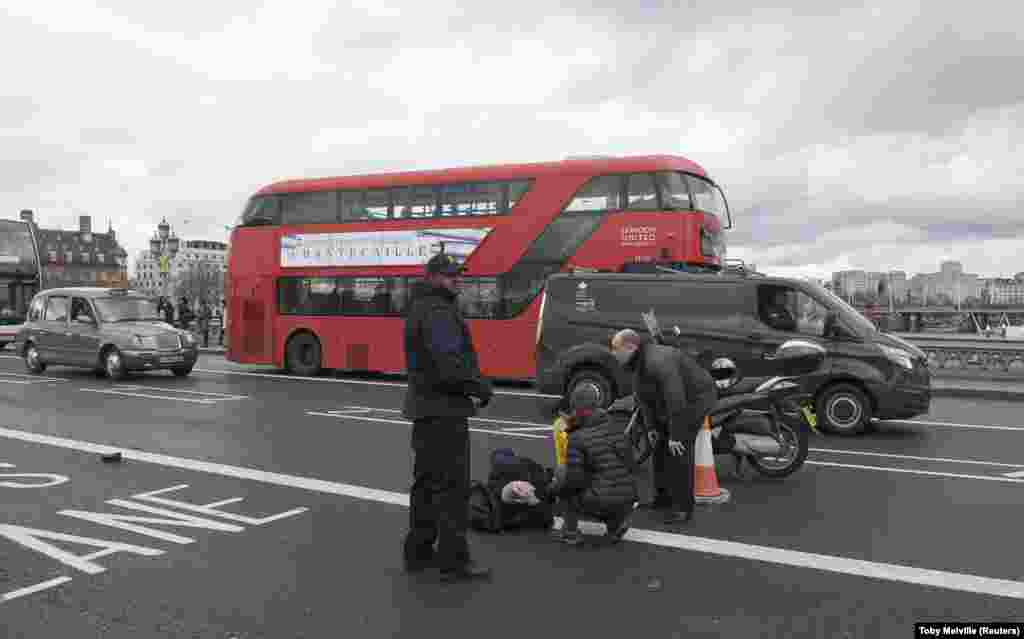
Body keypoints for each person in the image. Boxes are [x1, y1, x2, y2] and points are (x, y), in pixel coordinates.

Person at [401, 252, 494, 582]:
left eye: (459, 274)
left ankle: (418, 553)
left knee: (426, 484)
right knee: (452, 489)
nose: (458, 280)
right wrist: (481, 388)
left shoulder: (420, 307)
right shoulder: (439, 312)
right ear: (433, 277)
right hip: (444, 411)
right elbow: (450, 365)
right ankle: (453, 562)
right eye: (451, 275)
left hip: (425, 410)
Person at [610, 328, 716, 525]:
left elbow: (676, 399)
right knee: (658, 444)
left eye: (615, 348)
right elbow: (643, 398)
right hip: (668, 400)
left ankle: (683, 509)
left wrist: (676, 434)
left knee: (679, 451)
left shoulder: (657, 361)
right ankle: (663, 498)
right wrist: (651, 428)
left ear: (631, 347)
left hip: (696, 399)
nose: (612, 353)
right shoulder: (637, 363)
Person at [549, 385, 638, 545]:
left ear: (575, 408)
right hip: (628, 497)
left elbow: (574, 481)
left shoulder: (576, 438)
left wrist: (552, 490)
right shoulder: (616, 427)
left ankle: (570, 533)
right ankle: (615, 524)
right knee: (605, 482)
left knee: (565, 477)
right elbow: (630, 465)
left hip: (600, 499)